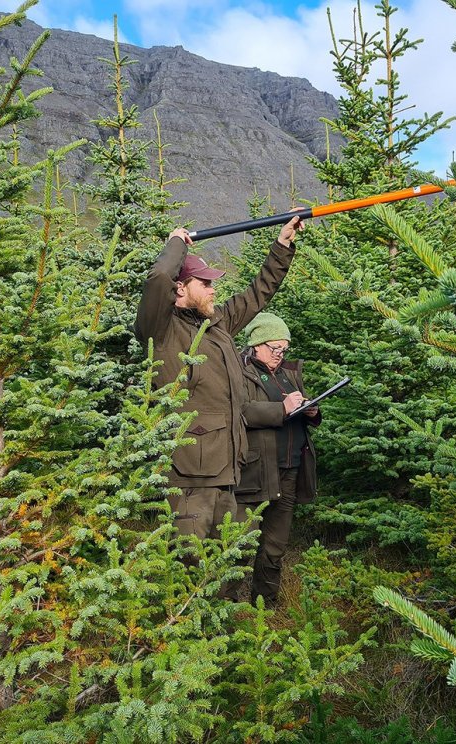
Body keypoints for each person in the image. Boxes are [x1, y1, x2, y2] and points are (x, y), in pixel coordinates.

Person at [134, 216, 303, 545]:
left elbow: (257, 295)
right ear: (181, 288)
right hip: (189, 477)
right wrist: (176, 245)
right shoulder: (162, 330)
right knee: (189, 564)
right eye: (206, 284)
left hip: (228, 472)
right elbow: (157, 279)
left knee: (225, 567)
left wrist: (283, 247)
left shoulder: (217, 324)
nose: (214, 290)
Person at [236, 312, 320, 605]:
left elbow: (300, 404)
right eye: (275, 349)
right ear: (257, 344)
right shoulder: (239, 372)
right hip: (256, 471)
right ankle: (226, 606)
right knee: (240, 542)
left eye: (284, 350)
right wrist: (281, 409)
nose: (280, 355)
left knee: (275, 545)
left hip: (290, 470)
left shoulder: (288, 373)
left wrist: (311, 410)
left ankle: (265, 606)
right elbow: (240, 412)